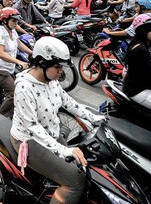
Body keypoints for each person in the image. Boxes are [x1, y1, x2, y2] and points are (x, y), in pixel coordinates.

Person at [11, 37, 106, 204]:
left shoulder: (51, 80)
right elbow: (33, 127)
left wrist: (95, 118)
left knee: (83, 166)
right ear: (41, 62)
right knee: (76, 181)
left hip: (52, 134)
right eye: (57, 67)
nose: (60, 71)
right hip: (31, 140)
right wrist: (64, 150)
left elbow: (68, 102)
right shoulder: (24, 88)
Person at [0, 8, 33, 117]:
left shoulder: (12, 31)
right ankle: (1, 117)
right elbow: (0, 53)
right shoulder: (0, 33)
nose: (16, 23)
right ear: (4, 21)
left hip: (8, 68)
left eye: (17, 21)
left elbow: (19, 43)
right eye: (13, 21)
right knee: (13, 93)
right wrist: (20, 62)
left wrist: (33, 53)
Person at [122, 15, 151, 113]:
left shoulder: (141, 45)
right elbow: (149, 77)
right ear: (143, 31)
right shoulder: (140, 50)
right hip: (137, 90)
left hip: (140, 85)